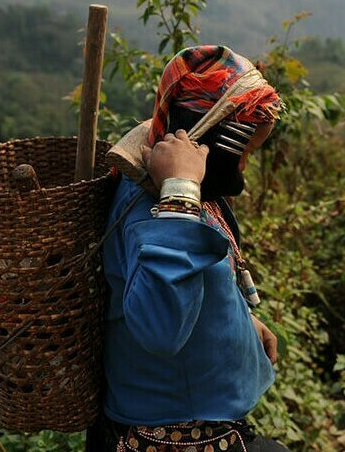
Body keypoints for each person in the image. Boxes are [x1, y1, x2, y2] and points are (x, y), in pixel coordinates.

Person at [89, 45, 291, 452]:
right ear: (207, 145)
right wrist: (180, 188)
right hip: (172, 430)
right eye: (243, 155)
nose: (245, 170)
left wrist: (240, 326)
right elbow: (162, 328)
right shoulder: (157, 208)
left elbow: (193, 274)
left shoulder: (186, 199)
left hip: (203, 403)